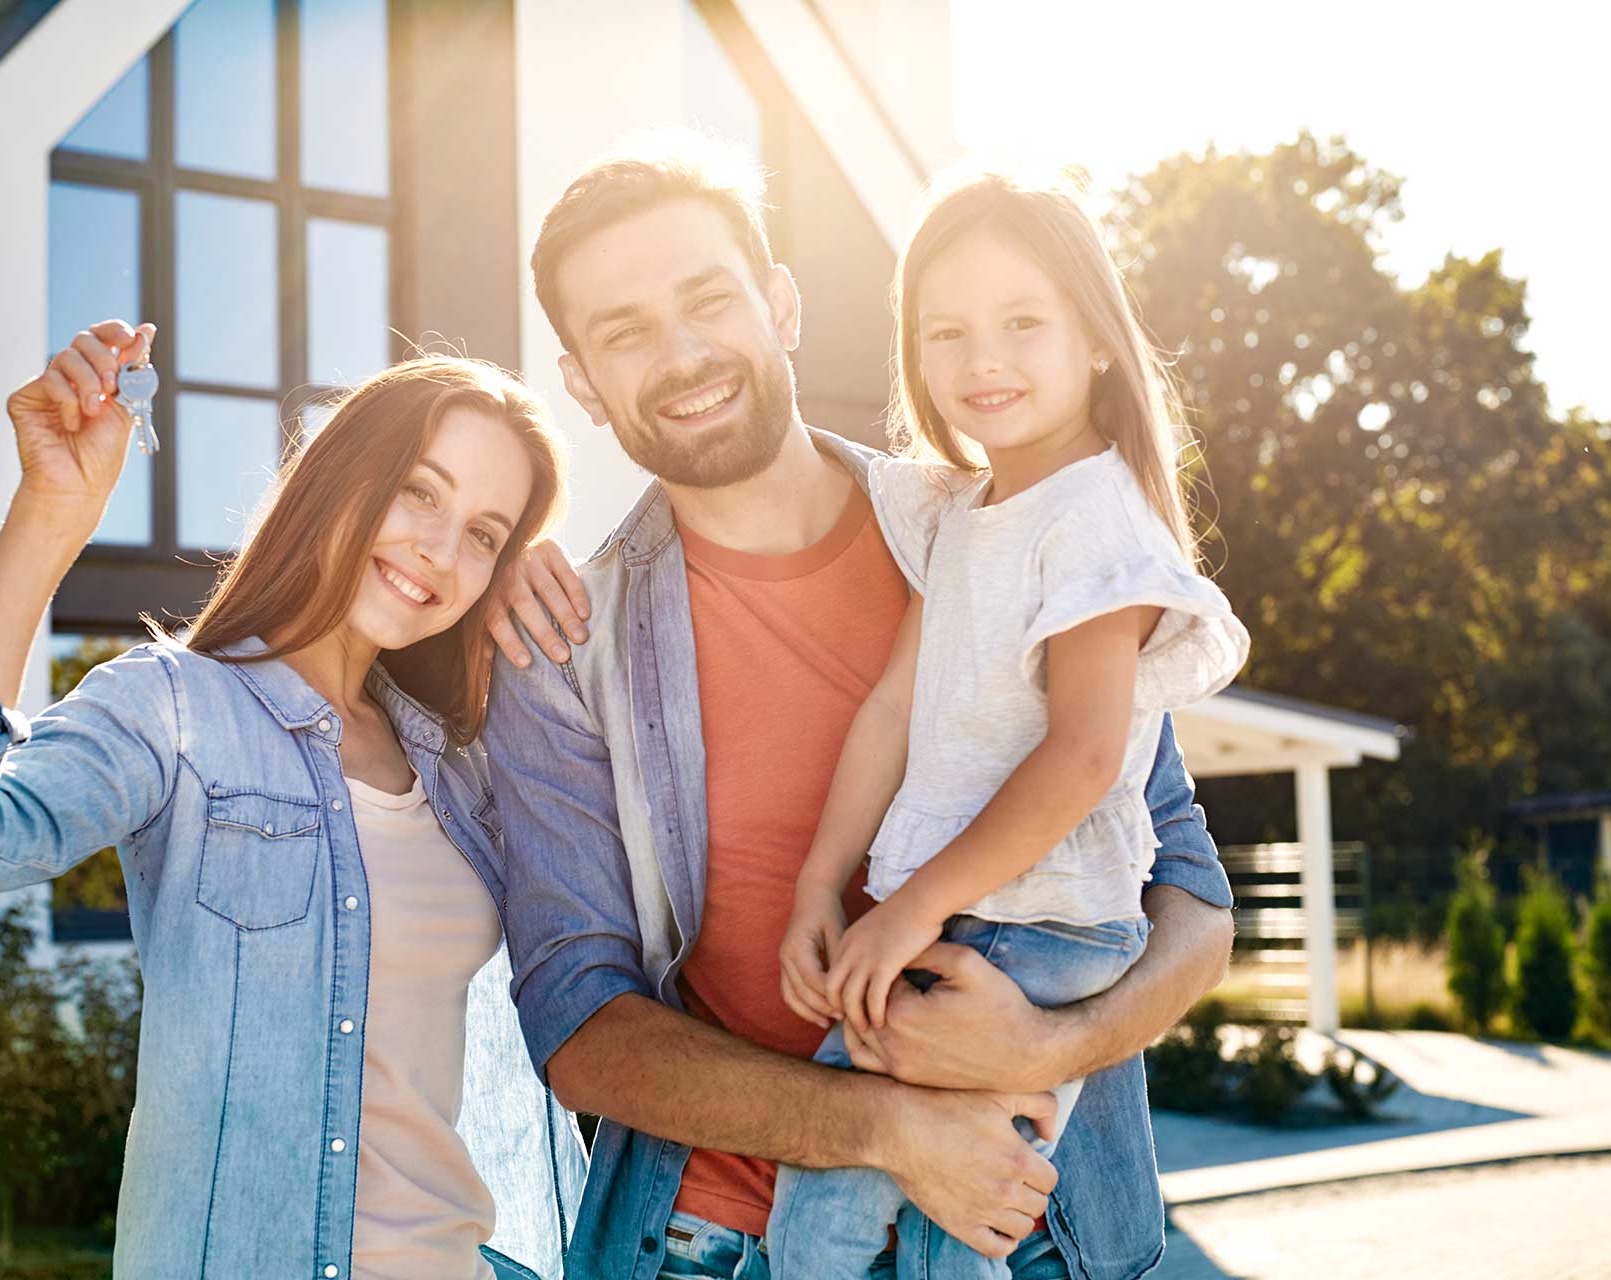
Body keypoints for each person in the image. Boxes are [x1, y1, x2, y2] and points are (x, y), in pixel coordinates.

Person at [483, 133, 1237, 1280]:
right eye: (625, 331)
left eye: (708, 300)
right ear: (583, 381)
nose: (683, 355)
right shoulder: (558, 648)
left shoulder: (991, 521)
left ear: (780, 304)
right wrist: (888, 1127)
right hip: (712, 1245)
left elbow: (1189, 893)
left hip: (1029, 1228)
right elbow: (582, 1031)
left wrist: (1049, 1042)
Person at [0, 320, 589, 1280]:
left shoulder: (460, 768)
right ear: (343, 477)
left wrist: (544, 614)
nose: (441, 551)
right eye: (420, 492)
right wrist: (50, 511)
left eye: (484, 536)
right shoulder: (174, 708)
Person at [765, 167, 1251, 1278]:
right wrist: (818, 885)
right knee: (883, 1213)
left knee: (889, 1211)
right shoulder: (963, 511)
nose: (983, 359)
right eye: (949, 332)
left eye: (1022, 322)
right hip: (964, 912)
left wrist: (908, 912)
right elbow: (894, 706)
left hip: (1036, 929)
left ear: (1094, 340)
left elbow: (1082, 758)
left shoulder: (1095, 518)